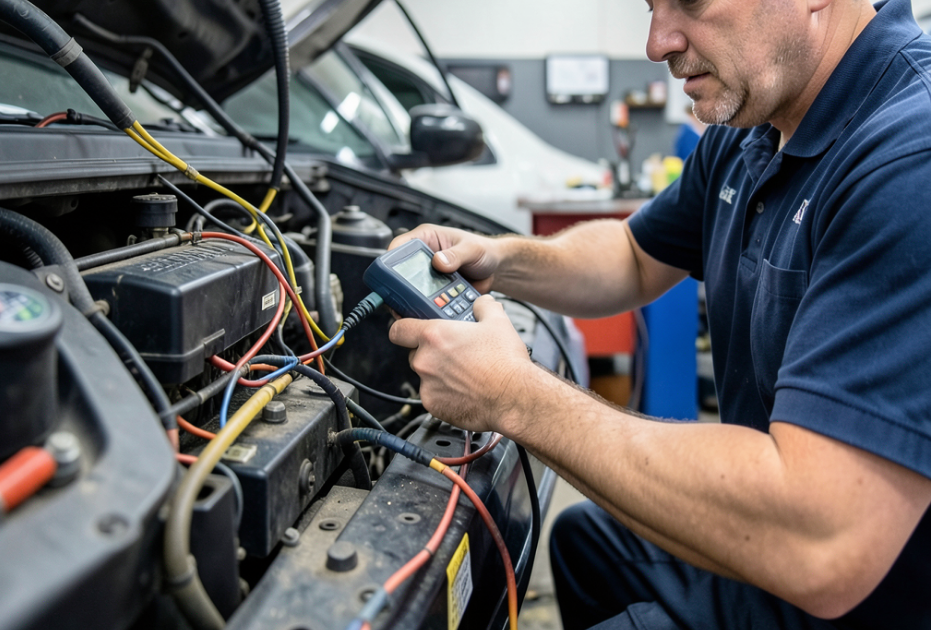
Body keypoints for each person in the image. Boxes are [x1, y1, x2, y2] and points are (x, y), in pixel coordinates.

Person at [386, 0, 931, 627]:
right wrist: (501, 259)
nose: (656, 42)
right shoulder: (752, 127)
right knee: (583, 540)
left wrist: (515, 395)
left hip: (861, 590)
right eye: (651, 6)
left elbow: (823, 540)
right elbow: (633, 256)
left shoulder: (907, 156)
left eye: (690, 2)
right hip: (782, 553)